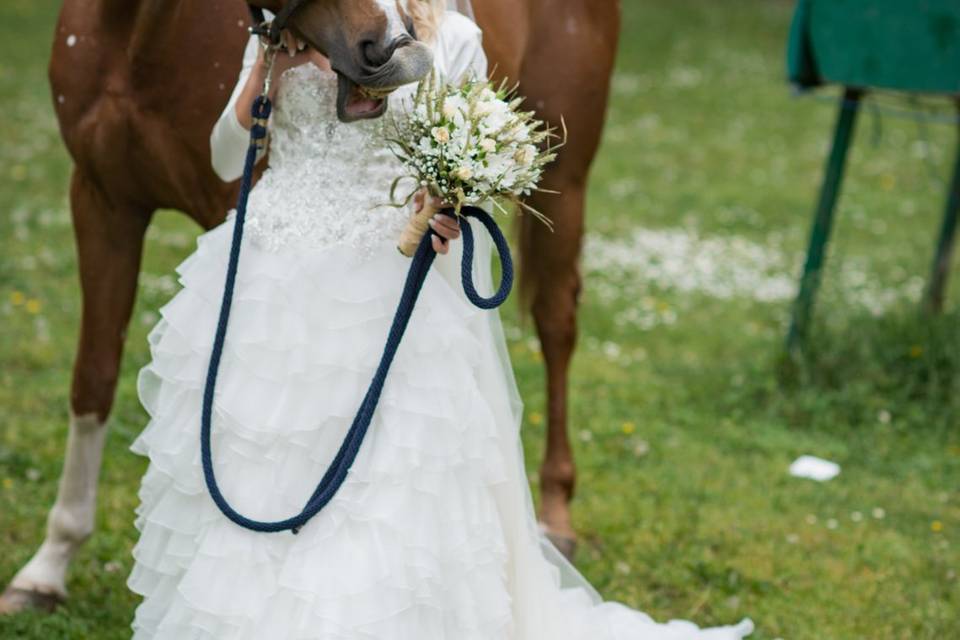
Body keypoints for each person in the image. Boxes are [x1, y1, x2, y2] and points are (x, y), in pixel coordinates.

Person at [126, 2, 755, 638]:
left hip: (387, 278)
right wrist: (267, 66)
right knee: (256, 450)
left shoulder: (447, 36)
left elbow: (467, 167)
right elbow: (225, 161)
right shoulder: (287, 34)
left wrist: (451, 202)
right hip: (275, 278)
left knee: (385, 480)